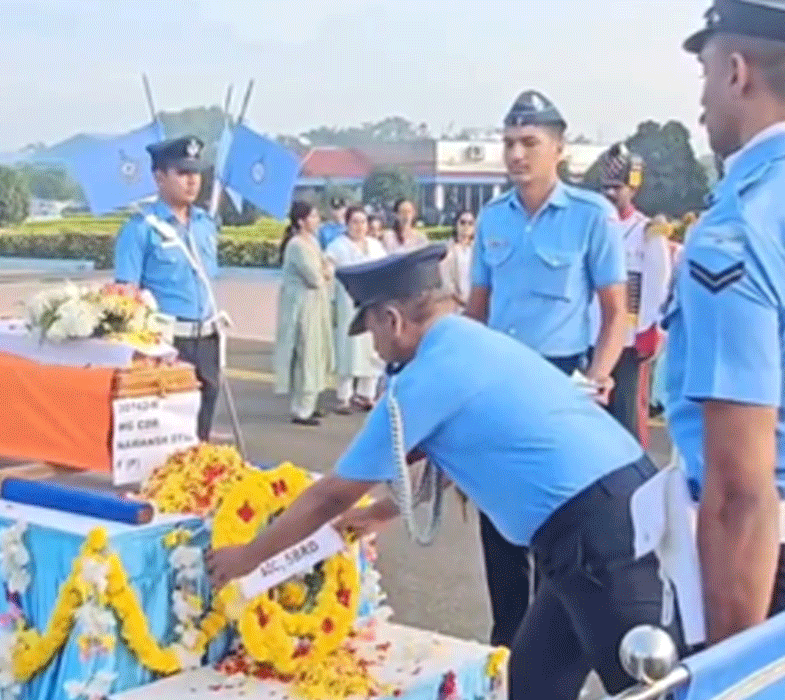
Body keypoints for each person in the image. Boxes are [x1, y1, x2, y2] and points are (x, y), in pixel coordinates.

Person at [207, 244, 684, 700]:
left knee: (646, 685)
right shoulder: (470, 341)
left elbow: (332, 495)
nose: (374, 347)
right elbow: (468, 449)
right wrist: (383, 511)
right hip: (601, 518)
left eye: (371, 330)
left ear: (391, 320)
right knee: (533, 684)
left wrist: (248, 557)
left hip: (602, 536)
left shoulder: (424, 377)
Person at [665, 2, 785, 698]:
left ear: (737, 71)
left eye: (707, 72)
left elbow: (742, 490)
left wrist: (740, 675)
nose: (703, 98)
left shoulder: (737, 231)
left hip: (769, 576)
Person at [464, 88, 629, 648]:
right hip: (498, 385)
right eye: (508, 142)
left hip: (562, 383)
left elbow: (614, 315)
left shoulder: (591, 217)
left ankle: (550, 655)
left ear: (557, 149)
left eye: (528, 142)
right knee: (500, 532)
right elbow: (476, 314)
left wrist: (596, 378)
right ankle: (504, 650)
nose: (515, 154)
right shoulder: (491, 220)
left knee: (559, 534)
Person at [114, 135, 224, 441]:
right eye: (182, 173)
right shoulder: (140, 229)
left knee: (201, 430)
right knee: (168, 429)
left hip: (207, 338)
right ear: (159, 177)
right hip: (167, 342)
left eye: (196, 173)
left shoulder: (205, 223)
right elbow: (127, 296)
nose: (192, 182)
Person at [590, 143, 671, 448]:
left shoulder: (647, 231)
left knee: (626, 418)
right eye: (606, 187)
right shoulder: (596, 226)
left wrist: (647, 331)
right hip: (593, 334)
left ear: (632, 189)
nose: (610, 194)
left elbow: (656, 286)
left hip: (628, 337)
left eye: (617, 187)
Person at [273, 201, 334, 426]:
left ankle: (310, 402)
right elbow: (315, 278)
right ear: (301, 221)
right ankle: (301, 409)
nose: (317, 220)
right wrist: (326, 270)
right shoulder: (297, 245)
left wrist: (326, 270)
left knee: (316, 352)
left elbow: (324, 269)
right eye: (313, 216)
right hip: (302, 306)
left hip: (315, 304)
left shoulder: (312, 242)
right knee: (306, 354)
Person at [325, 205, 388, 413]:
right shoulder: (338, 246)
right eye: (355, 222)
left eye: (363, 222)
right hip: (348, 305)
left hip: (373, 303)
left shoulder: (375, 246)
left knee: (372, 348)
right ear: (347, 223)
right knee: (348, 347)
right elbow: (328, 269)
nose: (360, 226)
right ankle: (344, 396)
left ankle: (366, 394)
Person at [443, 210, 475, 309]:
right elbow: (447, 283)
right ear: (456, 224)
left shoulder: (478, 250)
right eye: (462, 222)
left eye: (470, 223)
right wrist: (461, 301)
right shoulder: (448, 249)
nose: (466, 226)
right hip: (455, 306)